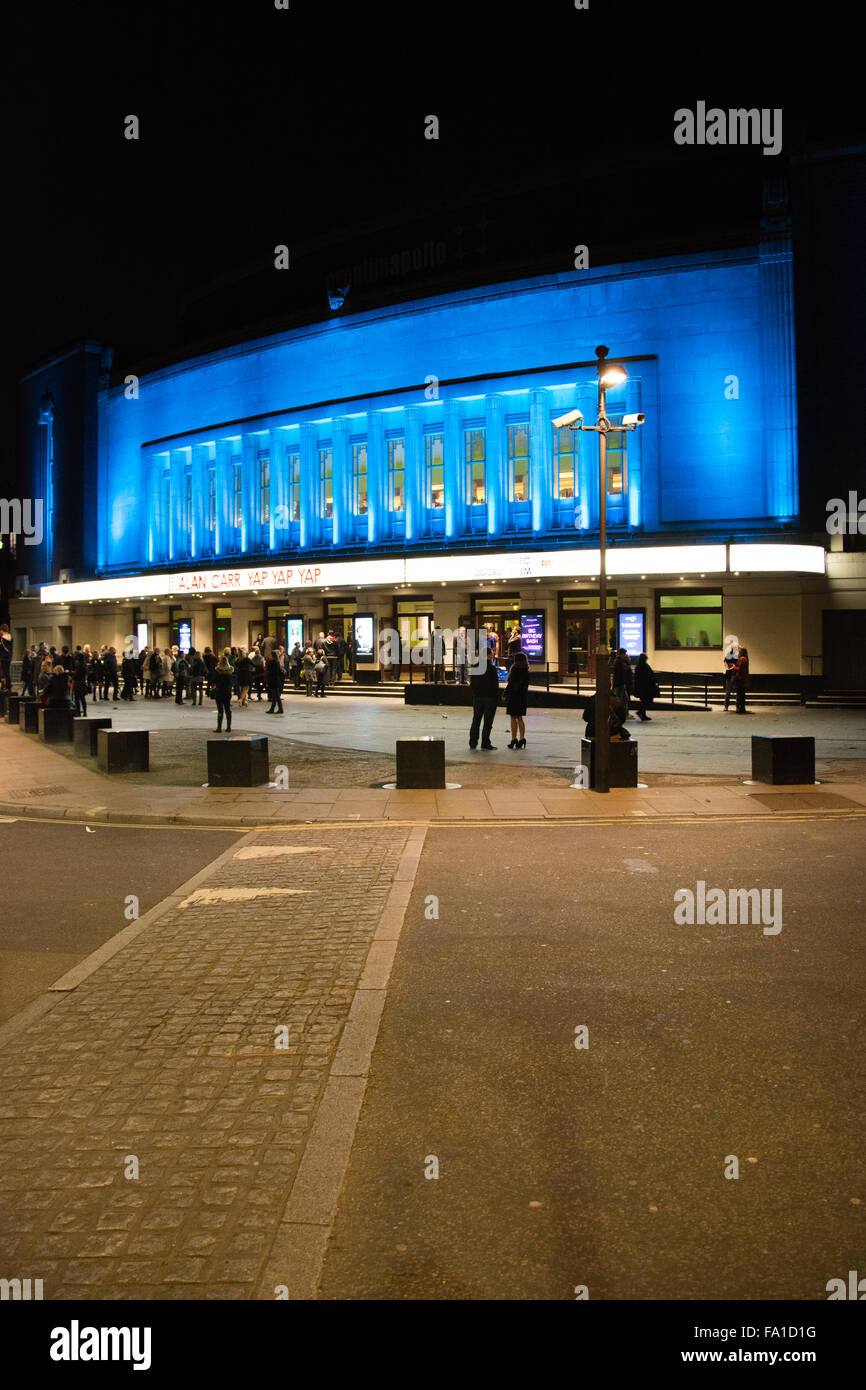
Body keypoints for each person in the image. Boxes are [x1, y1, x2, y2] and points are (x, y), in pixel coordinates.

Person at [469, 647, 500, 750]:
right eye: (491, 654)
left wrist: (476, 693)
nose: (491, 656)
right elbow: (495, 685)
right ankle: (485, 743)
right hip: (490, 698)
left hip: (477, 698)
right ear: (489, 655)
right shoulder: (492, 669)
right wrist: (496, 698)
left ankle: (473, 743)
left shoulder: (474, 667)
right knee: (488, 722)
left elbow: (472, 685)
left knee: (476, 720)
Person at [505, 649, 529, 748]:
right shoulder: (526, 670)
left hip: (513, 696)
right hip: (522, 696)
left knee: (513, 717)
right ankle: (522, 738)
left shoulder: (514, 669)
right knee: (520, 718)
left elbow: (511, 683)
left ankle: (513, 739)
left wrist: (505, 694)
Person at [213, 649, 234, 732]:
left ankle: (219, 727)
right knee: (228, 709)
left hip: (219, 692)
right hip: (227, 692)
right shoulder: (230, 671)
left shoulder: (217, 671)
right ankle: (228, 727)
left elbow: (214, 680)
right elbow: (232, 683)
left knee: (220, 710)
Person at [633, 653, 657, 721]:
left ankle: (641, 713)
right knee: (645, 701)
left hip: (641, 687)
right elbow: (650, 676)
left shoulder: (638, 666)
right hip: (646, 687)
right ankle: (642, 713)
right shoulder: (645, 666)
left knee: (643, 701)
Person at [612, 648, 633, 719]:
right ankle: (619, 714)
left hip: (620, 684)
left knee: (624, 699)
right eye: (624, 654)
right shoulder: (619, 662)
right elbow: (624, 672)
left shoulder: (620, 661)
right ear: (621, 654)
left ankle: (623, 713)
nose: (625, 655)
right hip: (619, 684)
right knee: (620, 699)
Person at [732, 646, 750, 713]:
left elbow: (738, 668)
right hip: (744, 678)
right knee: (742, 694)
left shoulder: (741, 659)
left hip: (740, 679)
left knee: (739, 694)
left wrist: (734, 667)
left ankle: (738, 707)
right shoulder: (746, 659)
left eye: (739, 651)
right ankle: (742, 707)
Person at [71, 647, 89, 716]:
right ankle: (85, 712)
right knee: (83, 699)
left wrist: (72, 673)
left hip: (78, 683)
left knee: (77, 699)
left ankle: (78, 712)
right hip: (83, 683)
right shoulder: (85, 665)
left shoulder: (78, 665)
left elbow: (76, 674)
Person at [0, 625, 12, 692]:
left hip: (4, 657)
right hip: (9, 657)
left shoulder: (3, 639)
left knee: (4, 672)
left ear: (2, 630)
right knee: (7, 672)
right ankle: (8, 686)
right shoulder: (10, 637)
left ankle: (6, 686)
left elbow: (4, 648)